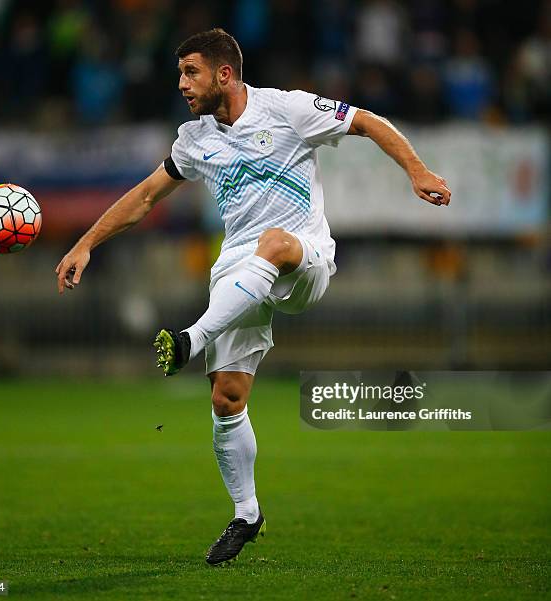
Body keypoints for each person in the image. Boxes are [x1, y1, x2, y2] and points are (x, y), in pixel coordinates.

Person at [55, 28, 451, 566]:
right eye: (179, 74)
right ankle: (246, 514)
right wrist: (85, 243)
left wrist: (416, 168)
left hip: (302, 254)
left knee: (275, 243)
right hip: (238, 270)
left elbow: (366, 121)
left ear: (224, 74)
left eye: (190, 72)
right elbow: (147, 196)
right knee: (227, 401)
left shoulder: (288, 110)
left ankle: (192, 337)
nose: (181, 84)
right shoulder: (195, 139)